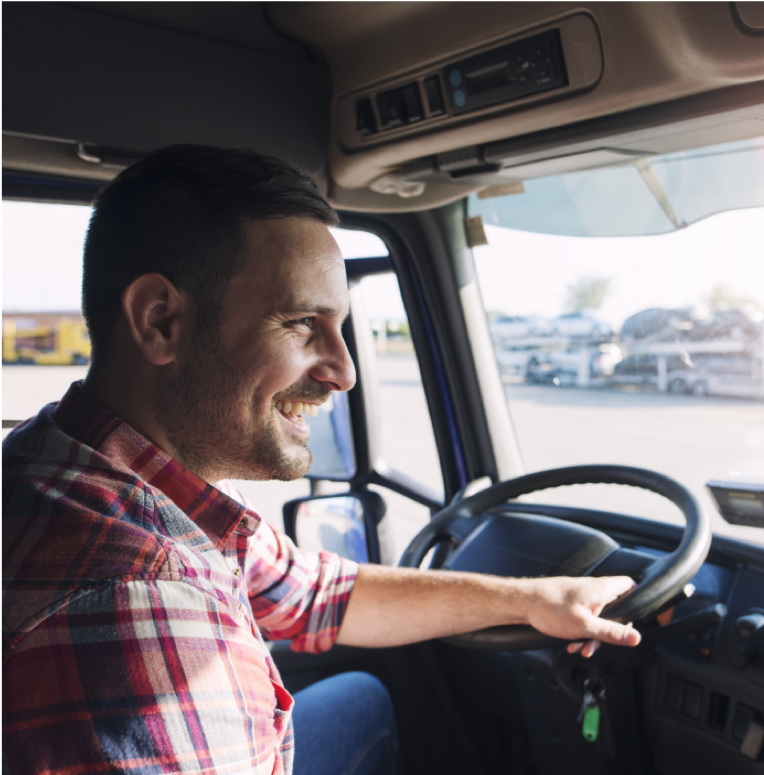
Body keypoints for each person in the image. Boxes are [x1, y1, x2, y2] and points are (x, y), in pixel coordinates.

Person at [0, 145, 641, 775]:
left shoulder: (85, 458)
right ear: (159, 320)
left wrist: (534, 600)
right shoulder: (138, 607)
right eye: (303, 322)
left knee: (362, 699)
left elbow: (313, 595)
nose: (344, 372)